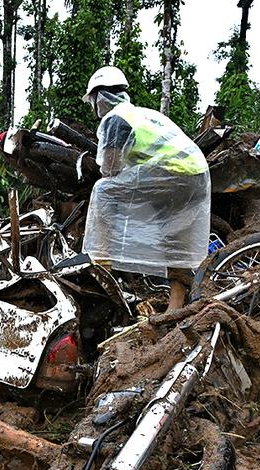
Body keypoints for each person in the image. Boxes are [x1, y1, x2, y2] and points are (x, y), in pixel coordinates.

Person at [80, 66, 211, 312]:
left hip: (173, 172)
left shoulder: (116, 118)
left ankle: (101, 261)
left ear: (99, 96)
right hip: (196, 175)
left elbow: (109, 169)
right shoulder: (144, 114)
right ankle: (175, 308)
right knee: (175, 241)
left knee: (104, 190)